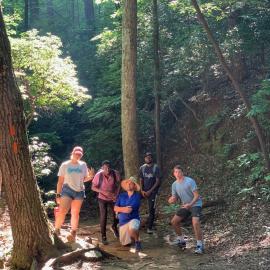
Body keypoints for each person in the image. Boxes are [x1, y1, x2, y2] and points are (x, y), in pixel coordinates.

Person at [55, 146, 94, 242]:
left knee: (75, 213)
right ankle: (56, 230)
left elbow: (84, 179)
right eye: (76, 153)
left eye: (80, 154)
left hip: (79, 191)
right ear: (72, 153)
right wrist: (58, 194)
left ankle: (73, 232)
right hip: (67, 189)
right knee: (62, 211)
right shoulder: (65, 165)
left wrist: (91, 177)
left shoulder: (83, 165)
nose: (78, 155)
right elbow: (60, 181)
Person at [168, 165, 204, 254]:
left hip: (195, 204)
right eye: (175, 172)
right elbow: (174, 197)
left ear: (182, 172)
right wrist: (171, 200)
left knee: (195, 222)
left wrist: (190, 204)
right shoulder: (174, 184)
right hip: (185, 206)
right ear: (174, 173)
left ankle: (200, 245)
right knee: (174, 221)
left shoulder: (190, 181)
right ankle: (181, 241)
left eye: (179, 172)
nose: (177, 174)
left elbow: (197, 196)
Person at [92, 160, 120, 245]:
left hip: (113, 198)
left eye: (108, 168)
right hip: (102, 198)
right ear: (102, 168)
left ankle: (114, 227)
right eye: (104, 168)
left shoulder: (115, 173)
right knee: (103, 216)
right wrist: (103, 192)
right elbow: (93, 187)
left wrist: (116, 194)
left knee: (117, 214)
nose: (107, 170)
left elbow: (119, 184)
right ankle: (104, 236)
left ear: (110, 168)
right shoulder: (98, 175)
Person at [114, 176, 142, 252]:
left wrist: (120, 209)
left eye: (131, 183)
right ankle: (132, 238)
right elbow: (115, 208)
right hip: (123, 222)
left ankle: (137, 241)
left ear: (134, 186)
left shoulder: (137, 196)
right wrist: (123, 209)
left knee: (132, 229)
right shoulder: (121, 195)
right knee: (125, 244)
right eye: (128, 183)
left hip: (133, 219)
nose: (129, 184)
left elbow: (129, 210)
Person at [139, 152, 160, 233]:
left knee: (151, 210)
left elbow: (157, 181)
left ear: (152, 158)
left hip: (153, 192)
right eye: (146, 157)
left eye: (149, 157)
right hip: (143, 191)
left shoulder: (156, 168)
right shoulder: (142, 168)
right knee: (134, 203)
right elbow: (141, 179)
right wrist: (141, 190)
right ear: (145, 158)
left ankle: (150, 227)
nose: (148, 158)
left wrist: (150, 191)